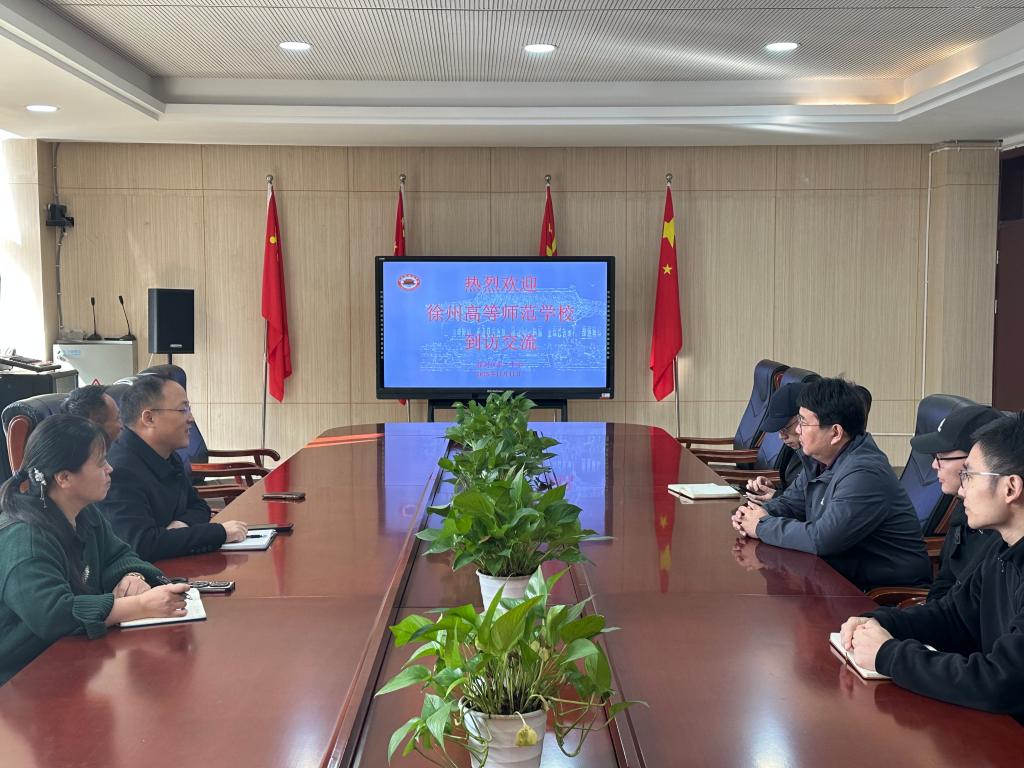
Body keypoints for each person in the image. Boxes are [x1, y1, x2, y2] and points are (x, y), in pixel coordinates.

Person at [840, 413, 1024, 722]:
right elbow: (953, 617)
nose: (961, 490)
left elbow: (1002, 682)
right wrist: (878, 622)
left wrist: (888, 654)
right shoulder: (1001, 549)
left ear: (1010, 488)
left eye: (969, 475)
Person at [0, 415, 191, 685]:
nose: (110, 469)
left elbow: (121, 555)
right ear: (64, 477)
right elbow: (53, 615)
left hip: (73, 660)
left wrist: (132, 576)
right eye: (101, 463)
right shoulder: (24, 540)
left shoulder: (85, 513)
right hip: (20, 680)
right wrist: (139, 605)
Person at [732, 377, 931, 592]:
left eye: (804, 422)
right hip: (837, 578)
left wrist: (761, 526)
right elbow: (792, 503)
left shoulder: (865, 473)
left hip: (882, 593)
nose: (798, 430)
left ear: (835, 433)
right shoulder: (818, 460)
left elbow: (822, 539)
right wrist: (749, 514)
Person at [98, 375, 247, 561]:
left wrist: (180, 525)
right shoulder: (119, 470)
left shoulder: (167, 455)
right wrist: (219, 533)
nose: (191, 418)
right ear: (149, 418)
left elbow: (199, 506)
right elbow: (142, 545)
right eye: (183, 409)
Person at [910, 404, 1007, 601]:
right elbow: (946, 582)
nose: (934, 464)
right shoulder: (963, 507)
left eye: (941, 456)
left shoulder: (1004, 532)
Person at [746, 383, 806, 503]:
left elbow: (812, 507)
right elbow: (794, 493)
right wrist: (772, 490)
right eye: (779, 429)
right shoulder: (793, 449)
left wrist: (776, 497)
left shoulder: (821, 458)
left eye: (786, 428)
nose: (781, 436)